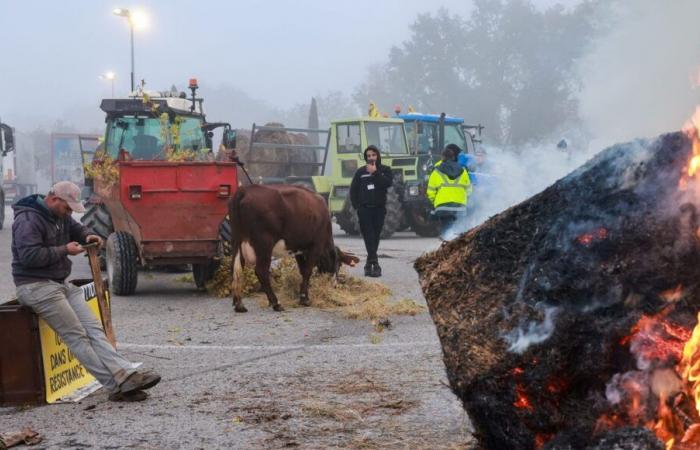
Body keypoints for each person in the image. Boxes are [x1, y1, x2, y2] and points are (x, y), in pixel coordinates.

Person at [11, 181, 161, 402]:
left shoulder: (58, 215)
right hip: (35, 286)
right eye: (67, 208)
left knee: (94, 329)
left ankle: (126, 375)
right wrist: (64, 250)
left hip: (59, 283)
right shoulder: (28, 220)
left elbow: (77, 228)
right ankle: (114, 387)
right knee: (77, 336)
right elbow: (29, 257)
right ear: (54, 199)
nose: (69, 212)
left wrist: (88, 235)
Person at [350, 145, 393, 277]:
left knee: (375, 235)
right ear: (366, 157)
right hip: (364, 210)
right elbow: (353, 190)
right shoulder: (360, 172)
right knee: (368, 235)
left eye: (373, 155)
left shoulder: (385, 170)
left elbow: (387, 183)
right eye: (368, 156)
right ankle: (375, 264)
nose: (371, 158)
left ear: (378, 156)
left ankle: (369, 264)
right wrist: (357, 207)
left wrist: (375, 172)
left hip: (379, 209)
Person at [427, 145, 472, 241]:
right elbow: (469, 190)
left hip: (442, 206)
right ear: (454, 157)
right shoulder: (463, 170)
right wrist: (464, 200)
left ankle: (446, 245)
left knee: (446, 229)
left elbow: (430, 191)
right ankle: (455, 247)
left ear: (442, 157)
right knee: (458, 229)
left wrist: (435, 202)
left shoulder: (436, 170)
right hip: (460, 206)